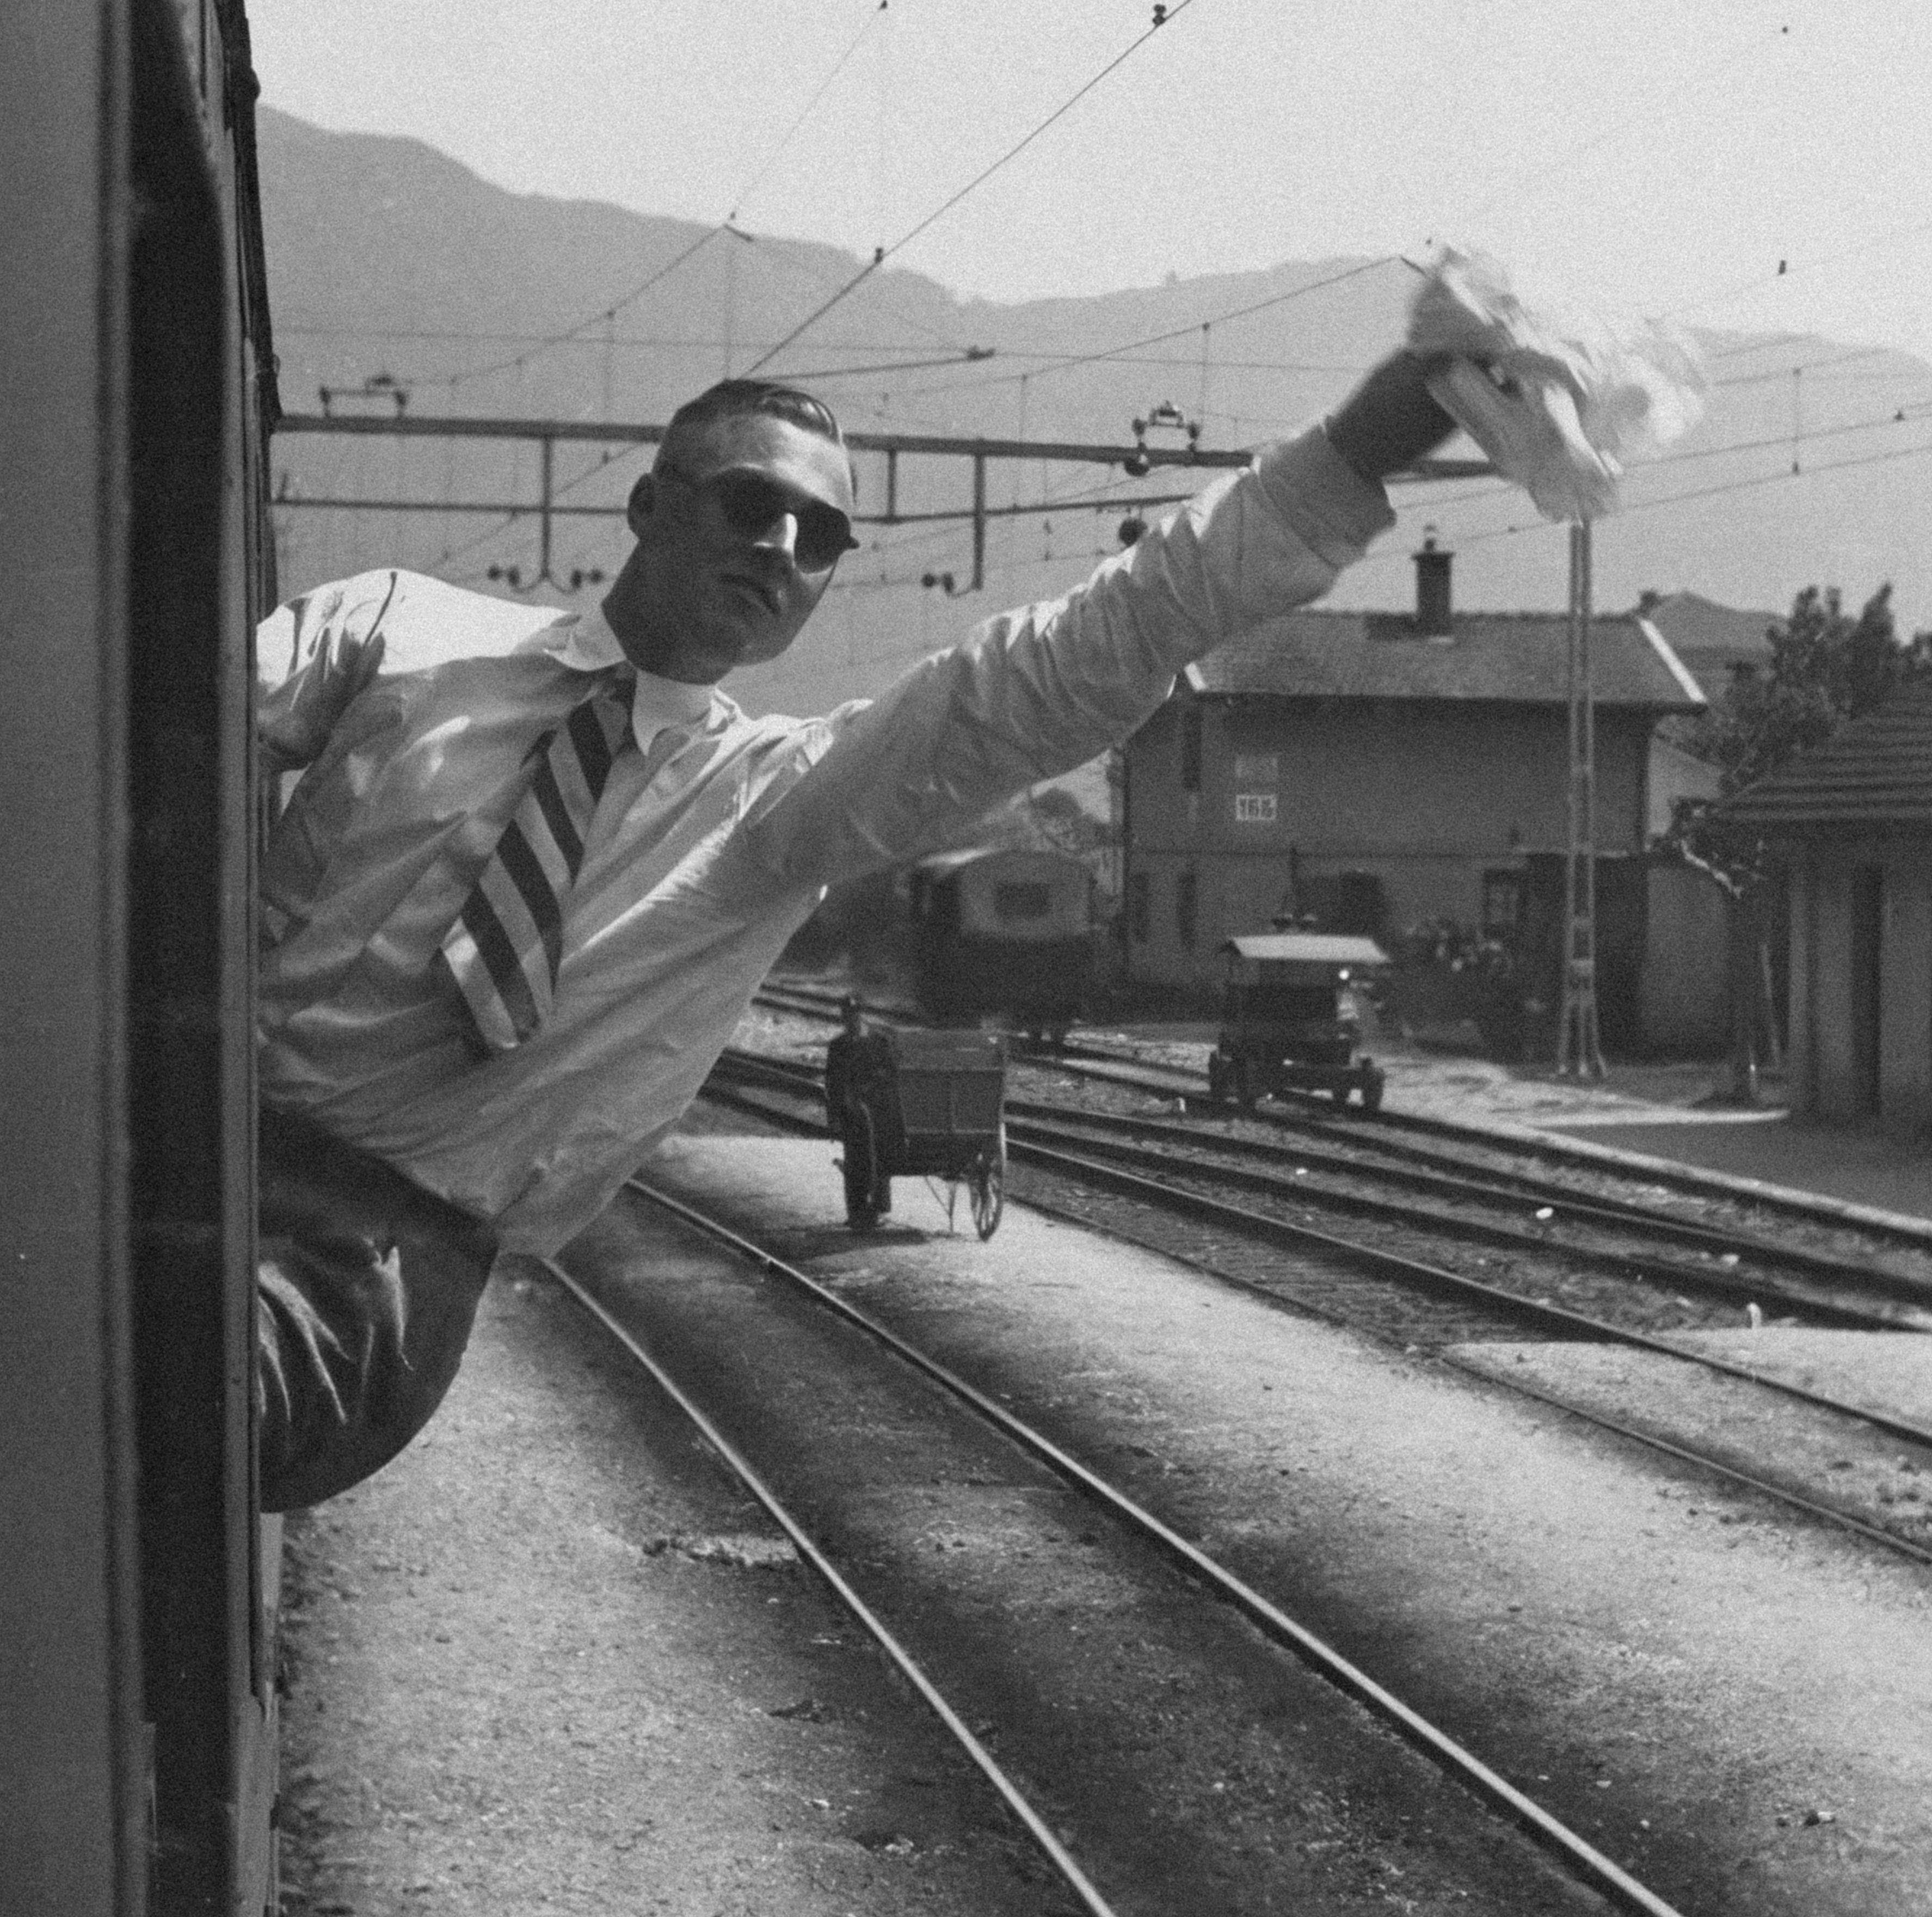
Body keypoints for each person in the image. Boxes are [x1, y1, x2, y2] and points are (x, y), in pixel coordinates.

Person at [255, 357, 1452, 1508]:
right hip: (185, 1135)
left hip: (362, 1273)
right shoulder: (403, 630)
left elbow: (1049, 672)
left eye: (818, 534)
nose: (780, 545)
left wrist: (1367, 438)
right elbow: (142, 718)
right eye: (749, 501)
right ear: (646, 504)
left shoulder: (765, 811)